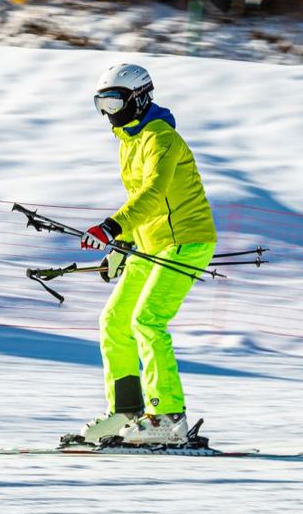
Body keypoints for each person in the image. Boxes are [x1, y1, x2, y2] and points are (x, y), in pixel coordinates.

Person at [77, 62, 217, 446]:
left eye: (114, 102)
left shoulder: (162, 139)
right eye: (101, 105)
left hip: (187, 240)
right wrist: (124, 246)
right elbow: (141, 203)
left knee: (148, 321)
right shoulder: (129, 143)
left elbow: (154, 195)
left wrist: (111, 227)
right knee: (114, 321)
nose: (109, 113)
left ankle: (168, 416)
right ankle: (127, 412)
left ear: (138, 99)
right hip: (151, 244)